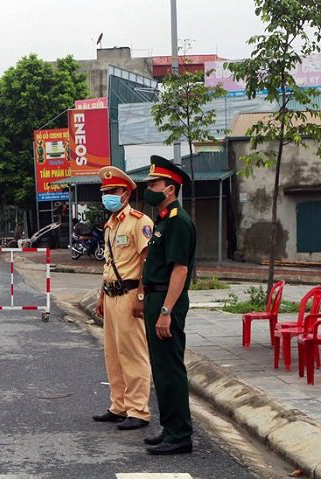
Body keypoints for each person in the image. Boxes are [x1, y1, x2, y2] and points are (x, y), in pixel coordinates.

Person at [141, 155, 196, 455]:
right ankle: (170, 428)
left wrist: (166, 311)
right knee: (161, 368)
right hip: (155, 298)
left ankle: (180, 435)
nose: (149, 188)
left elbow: (180, 270)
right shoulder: (164, 220)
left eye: (154, 183)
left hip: (166, 301)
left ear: (170, 189)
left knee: (171, 367)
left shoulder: (178, 222)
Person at [93, 166, 154, 431]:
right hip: (111, 295)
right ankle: (119, 406)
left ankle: (138, 410)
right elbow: (109, 265)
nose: (108, 196)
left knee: (133, 354)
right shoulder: (110, 225)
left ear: (126, 194)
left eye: (113, 191)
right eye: (105, 192)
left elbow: (147, 262)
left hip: (130, 295)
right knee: (113, 354)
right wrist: (100, 296)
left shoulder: (140, 222)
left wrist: (141, 296)